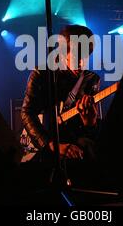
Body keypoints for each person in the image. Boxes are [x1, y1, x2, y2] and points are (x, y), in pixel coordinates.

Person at [21, 24, 101, 164]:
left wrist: (91, 123)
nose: (82, 62)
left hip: (76, 146)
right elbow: (27, 112)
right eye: (77, 56)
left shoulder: (91, 80)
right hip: (47, 146)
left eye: (86, 56)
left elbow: (89, 132)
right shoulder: (41, 74)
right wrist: (51, 145)